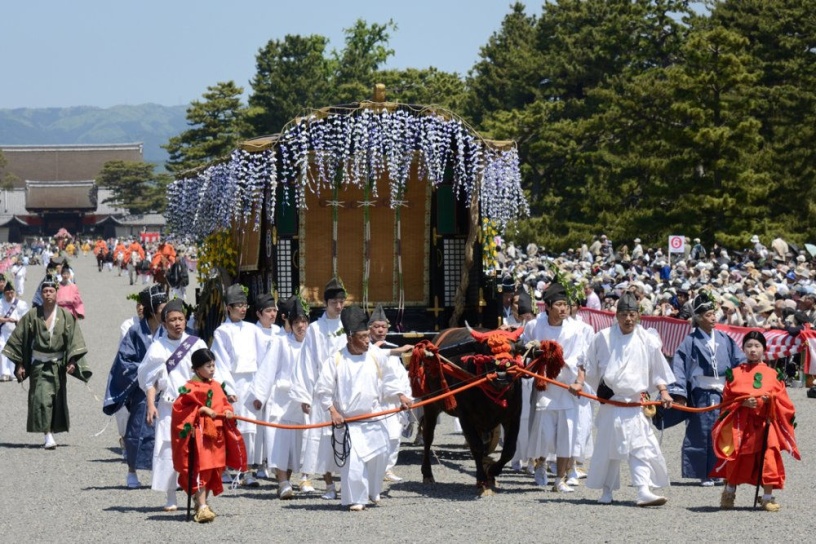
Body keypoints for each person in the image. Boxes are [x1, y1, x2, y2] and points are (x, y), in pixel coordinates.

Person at [579, 291, 675, 506]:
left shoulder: (647, 339)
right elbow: (587, 364)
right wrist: (580, 383)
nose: (628, 319)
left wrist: (664, 391)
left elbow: (657, 369)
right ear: (616, 315)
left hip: (634, 404)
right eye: (624, 314)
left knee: (640, 447)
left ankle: (643, 490)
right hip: (611, 402)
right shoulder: (602, 337)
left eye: (632, 314)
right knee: (608, 449)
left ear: (638, 315)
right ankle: (606, 491)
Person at [314, 305, 412, 511]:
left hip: (375, 418)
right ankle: (356, 499)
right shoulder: (336, 359)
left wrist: (401, 396)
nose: (368, 340)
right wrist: (333, 411)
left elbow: (389, 380)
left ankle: (372, 491)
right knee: (355, 464)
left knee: (380, 457)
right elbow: (323, 390)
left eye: (368, 336)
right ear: (350, 338)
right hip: (350, 422)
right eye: (363, 337)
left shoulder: (376, 355)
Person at [138, 299, 226, 511]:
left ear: (186, 320)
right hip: (170, 407)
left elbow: (210, 374)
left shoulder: (196, 343)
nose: (177, 323)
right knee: (169, 449)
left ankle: (198, 494)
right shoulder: (158, 347)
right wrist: (151, 404)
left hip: (195, 408)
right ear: (164, 323)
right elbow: (150, 380)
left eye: (180, 319)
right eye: (172, 320)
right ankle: (170, 495)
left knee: (197, 451)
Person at [713, 331, 800, 512]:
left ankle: (767, 497)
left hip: (766, 424)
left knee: (769, 457)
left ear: (764, 349)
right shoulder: (735, 374)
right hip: (741, 424)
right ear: (743, 349)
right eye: (749, 346)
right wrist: (742, 403)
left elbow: (785, 402)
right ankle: (729, 493)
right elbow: (726, 401)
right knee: (735, 457)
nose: (753, 350)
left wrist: (771, 401)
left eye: (757, 346)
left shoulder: (773, 374)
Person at [2, 274, 91, 449]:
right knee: (41, 399)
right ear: (41, 294)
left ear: (56, 293)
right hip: (39, 364)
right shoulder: (32, 315)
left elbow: (74, 340)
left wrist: (72, 360)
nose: (48, 294)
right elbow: (20, 338)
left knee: (55, 399)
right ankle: (47, 434)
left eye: (51, 290)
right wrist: (20, 363)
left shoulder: (66, 316)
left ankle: (51, 430)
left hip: (57, 365)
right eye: (45, 291)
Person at [670, 293, 746, 486]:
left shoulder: (724, 338)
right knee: (701, 432)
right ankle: (704, 473)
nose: (713, 318)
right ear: (698, 318)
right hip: (702, 391)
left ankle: (721, 470)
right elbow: (678, 366)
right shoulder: (690, 340)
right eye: (708, 315)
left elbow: (740, 361)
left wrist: (745, 382)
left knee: (723, 431)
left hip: (723, 392)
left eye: (714, 314)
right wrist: (679, 392)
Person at [521, 282, 589, 492]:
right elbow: (524, 349)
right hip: (544, 387)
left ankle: (559, 479)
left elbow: (582, 358)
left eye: (565, 305)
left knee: (567, 434)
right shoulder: (535, 325)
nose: (563, 309)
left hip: (567, 386)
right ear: (547, 307)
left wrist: (579, 381)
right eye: (558, 305)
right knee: (544, 432)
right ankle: (540, 464)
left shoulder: (576, 329)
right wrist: (536, 354)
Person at [102, 285, 167, 488]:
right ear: (152, 308)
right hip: (142, 388)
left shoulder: (168, 331)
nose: (166, 312)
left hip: (166, 388)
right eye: (162, 308)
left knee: (165, 431)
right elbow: (125, 361)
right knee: (137, 429)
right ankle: (132, 471)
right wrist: (149, 373)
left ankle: (165, 472)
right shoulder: (135, 331)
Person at [171, 348, 246, 523]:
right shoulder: (189, 388)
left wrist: (227, 411)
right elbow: (180, 410)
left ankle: (201, 502)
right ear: (197, 368)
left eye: (213, 365)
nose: (212, 369)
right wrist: (201, 409)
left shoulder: (217, 386)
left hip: (216, 436)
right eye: (208, 365)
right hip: (199, 437)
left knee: (214, 469)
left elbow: (225, 404)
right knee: (201, 468)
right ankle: (203, 505)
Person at [290, 277, 348, 499]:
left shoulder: (347, 325)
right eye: (334, 302)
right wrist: (304, 394)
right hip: (321, 389)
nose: (339, 306)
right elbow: (305, 362)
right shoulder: (315, 329)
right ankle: (329, 484)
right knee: (324, 438)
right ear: (326, 303)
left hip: (345, 388)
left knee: (344, 435)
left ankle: (346, 483)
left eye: (342, 301)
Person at [209, 284, 269, 487]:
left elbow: (264, 358)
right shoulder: (222, 331)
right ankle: (228, 466)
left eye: (244, 305)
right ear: (228, 307)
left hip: (252, 382)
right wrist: (229, 389)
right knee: (233, 425)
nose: (242, 309)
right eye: (238, 305)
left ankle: (248, 468)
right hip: (234, 382)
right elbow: (221, 363)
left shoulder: (253, 329)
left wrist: (261, 387)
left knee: (251, 428)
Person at [250, 295, 309, 499]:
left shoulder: (311, 344)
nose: (301, 326)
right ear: (291, 325)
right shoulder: (280, 342)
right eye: (296, 322)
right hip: (280, 399)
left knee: (296, 443)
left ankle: (289, 479)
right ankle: (282, 481)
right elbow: (268, 368)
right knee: (279, 440)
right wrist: (260, 395)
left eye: (304, 321)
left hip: (301, 400)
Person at [366, 304, 413, 483]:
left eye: (383, 327)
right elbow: (383, 378)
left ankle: (388, 469)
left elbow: (400, 375)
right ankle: (373, 470)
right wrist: (399, 394)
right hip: (375, 400)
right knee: (375, 438)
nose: (380, 330)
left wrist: (405, 394)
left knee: (394, 436)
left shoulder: (393, 347)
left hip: (393, 401)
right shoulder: (366, 348)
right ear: (370, 329)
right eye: (376, 327)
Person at [0, 281, 29, 381]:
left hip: (16, 331)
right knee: (2, 350)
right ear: (4, 293)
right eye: (8, 293)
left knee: (14, 351)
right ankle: (4, 372)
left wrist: (18, 321)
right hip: (4, 331)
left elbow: (26, 316)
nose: (10, 295)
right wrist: (7, 319)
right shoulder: (1, 303)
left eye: (12, 292)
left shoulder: (21, 303)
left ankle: (13, 372)